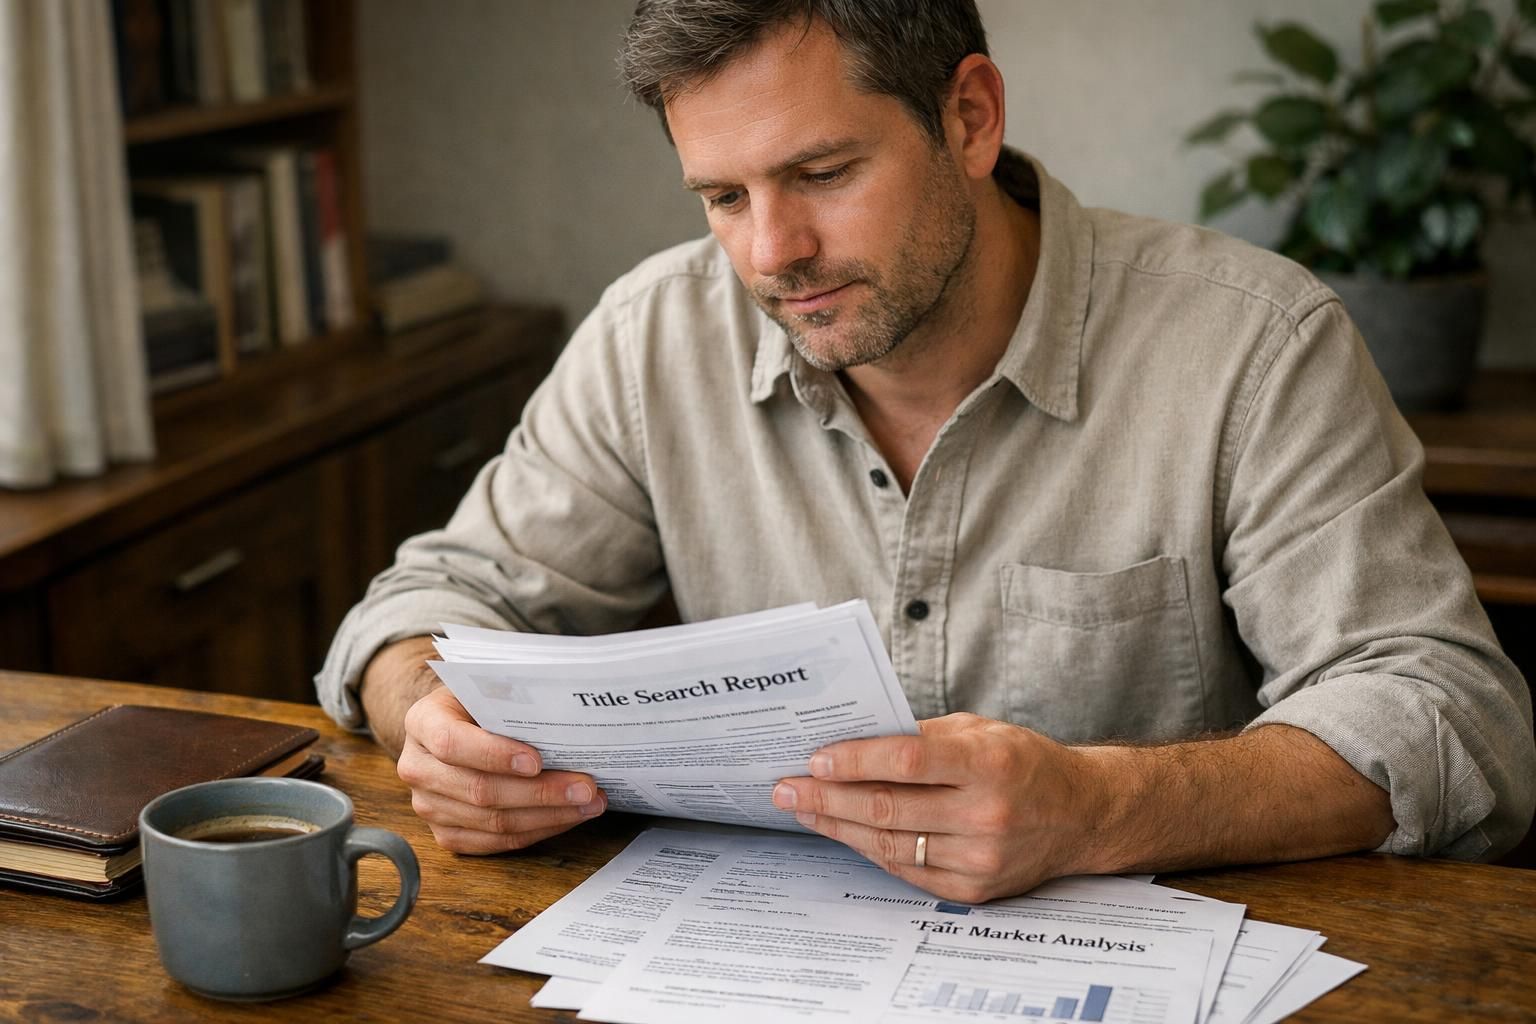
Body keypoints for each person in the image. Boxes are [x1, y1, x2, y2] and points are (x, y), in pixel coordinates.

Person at [316, 0, 1534, 903]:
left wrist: (1100, 806)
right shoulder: (654, 336)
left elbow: (1450, 714)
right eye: (723, 197)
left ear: (970, 118)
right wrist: (433, 716)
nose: (770, 255)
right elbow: (425, 604)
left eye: (822, 172)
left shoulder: (1253, 344)